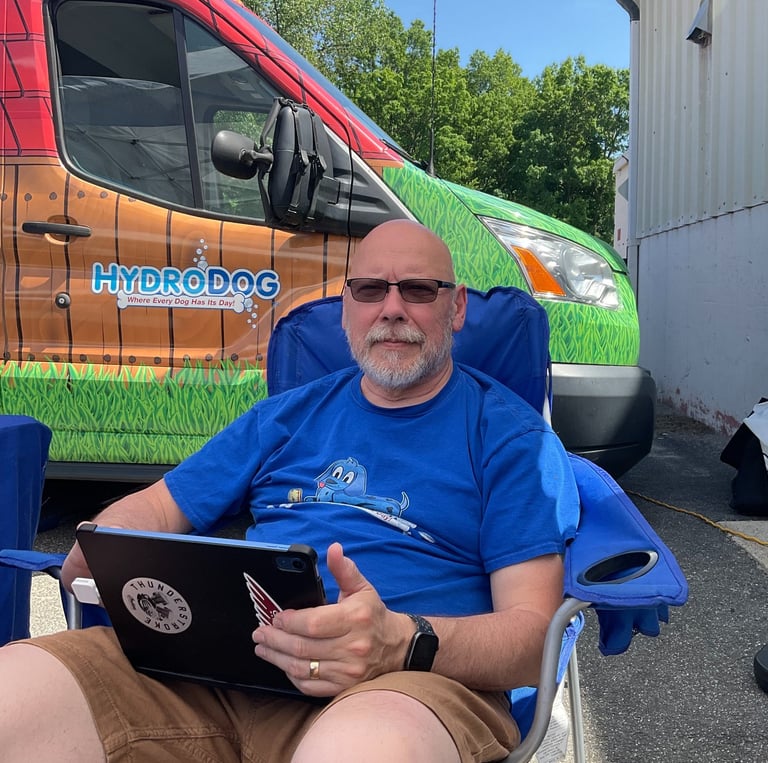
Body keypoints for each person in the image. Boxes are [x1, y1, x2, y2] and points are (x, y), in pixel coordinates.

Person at [0, 219, 579, 762]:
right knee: (15, 693)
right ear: (347, 308)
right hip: (219, 670)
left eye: (419, 290)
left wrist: (402, 640)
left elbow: (533, 640)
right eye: (370, 290)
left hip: (406, 686)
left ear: (457, 308)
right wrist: (109, 537)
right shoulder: (285, 417)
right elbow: (159, 503)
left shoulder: (510, 440)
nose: (392, 309)